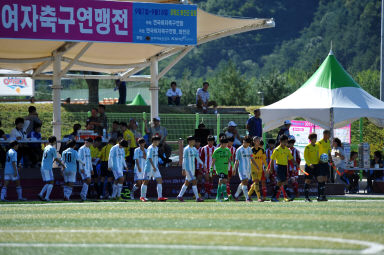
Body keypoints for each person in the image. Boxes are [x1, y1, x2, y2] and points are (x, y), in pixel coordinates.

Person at [267, 135, 299, 202]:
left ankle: (274, 197)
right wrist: (271, 168)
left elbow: (291, 158)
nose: (285, 143)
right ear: (280, 141)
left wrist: (296, 164)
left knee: (282, 182)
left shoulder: (287, 150)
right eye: (284, 142)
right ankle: (289, 195)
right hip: (279, 167)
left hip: (285, 167)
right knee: (282, 182)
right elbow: (272, 160)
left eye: (286, 142)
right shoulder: (277, 150)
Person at [140, 135, 168, 202]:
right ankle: (142, 197)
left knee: (159, 180)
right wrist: (153, 166)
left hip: (155, 168)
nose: (157, 142)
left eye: (158, 141)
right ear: (152, 141)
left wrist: (156, 166)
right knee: (145, 182)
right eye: (155, 141)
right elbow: (149, 158)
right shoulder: (150, 148)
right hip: (149, 168)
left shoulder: (156, 148)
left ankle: (160, 197)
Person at [177, 136, 205, 202]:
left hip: (192, 168)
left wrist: (203, 164)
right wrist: (183, 169)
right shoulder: (186, 149)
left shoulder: (194, 149)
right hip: (188, 168)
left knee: (186, 182)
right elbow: (184, 160)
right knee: (194, 181)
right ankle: (197, 198)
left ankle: (180, 196)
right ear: (189, 141)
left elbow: (197, 158)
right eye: (193, 141)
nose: (194, 142)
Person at [38, 136, 65, 202]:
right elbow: (55, 158)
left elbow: (49, 157)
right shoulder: (53, 149)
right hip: (47, 167)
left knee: (48, 182)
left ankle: (41, 194)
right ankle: (45, 197)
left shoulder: (46, 147)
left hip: (43, 167)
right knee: (51, 182)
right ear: (54, 141)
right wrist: (62, 165)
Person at [233, 136, 256, 202]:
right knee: (244, 182)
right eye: (244, 142)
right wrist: (234, 169)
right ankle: (247, 198)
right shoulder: (239, 150)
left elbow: (252, 158)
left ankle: (236, 196)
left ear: (249, 143)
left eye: (246, 143)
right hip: (241, 169)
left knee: (244, 182)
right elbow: (236, 160)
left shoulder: (249, 149)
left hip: (248, 168)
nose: (244, 143)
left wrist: (256, 166)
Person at [211, 136, 232, 202]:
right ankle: (225, 196)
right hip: (219, 169)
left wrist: (233, 167)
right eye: (224, 144)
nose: (226, 145)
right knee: (223, 181)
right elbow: (213, 161)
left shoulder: (227, 150)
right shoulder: (217, 151)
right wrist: (211, 169)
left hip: (225, 169)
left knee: (221, 182)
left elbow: (230, 159)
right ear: (221, 143)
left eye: (226, 144)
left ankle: (218, 197)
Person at [248, 136, 267, 202]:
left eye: (259, 141)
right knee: (256, 182)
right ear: (253, 142)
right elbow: (250, 159)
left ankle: (248, 196)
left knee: (256, 183)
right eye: (257, 141)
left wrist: (266, 167)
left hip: (260, 169)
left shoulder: (262, 150)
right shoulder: (250, 150)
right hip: (253, 168)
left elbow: (264, 160)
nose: (258, 142)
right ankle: (259, 197)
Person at [303, 133, 320, 202]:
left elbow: (317, 155)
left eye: (316, 138)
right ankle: (306, 197)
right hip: (309, 166)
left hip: (316, 165)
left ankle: (320, 196)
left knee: (319, 179)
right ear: (311, 139)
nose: (315, 140)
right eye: (314, 138)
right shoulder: (307, 147)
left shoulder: (317, 146)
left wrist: (320, 161)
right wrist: (309, 164)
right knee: (308, 181)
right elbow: (305, 156)